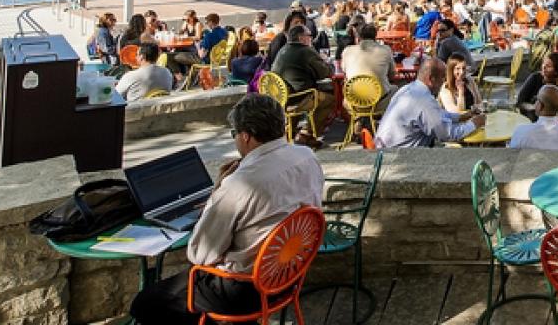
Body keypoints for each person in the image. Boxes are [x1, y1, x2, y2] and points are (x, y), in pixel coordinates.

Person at [129, 95, 324, 325]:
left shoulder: (239, 185)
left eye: (234, 135)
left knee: (144, 303)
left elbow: (201, 255)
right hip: (289, 277)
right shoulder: (306, 157)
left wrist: (217, 193)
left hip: (244, 292)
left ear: (245, 136)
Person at [374, 58, 485, 147]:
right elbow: (449, 134)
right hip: (400, 154)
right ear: (431, 79)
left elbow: (438, 114)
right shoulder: (424, 100)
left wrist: (461, 117)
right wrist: (475, 123)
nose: (443, 82)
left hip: (385, 147)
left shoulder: (408, 89)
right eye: (442, 78)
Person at [269, 25, 334, 146]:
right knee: (329, 100)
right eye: (309, 36)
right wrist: (328, 64)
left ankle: (291, 131)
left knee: (304, 92)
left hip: (281, 98)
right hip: (299, 98)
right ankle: (307, 133)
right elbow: (325, 73)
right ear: (301, 38)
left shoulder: (283, 50)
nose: (311, 39)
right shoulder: (306, 51)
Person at [507, 84, 558, 151]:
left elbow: (512, 153)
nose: (535, 103)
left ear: (540, 106)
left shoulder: (521, 132)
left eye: (537, 100)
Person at [340, 23, 397, 107]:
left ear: (358, 37)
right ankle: (390, 119)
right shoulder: (386, 50)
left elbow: (344, 71)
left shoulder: (347, 51)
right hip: (379, 102)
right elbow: (392, 75)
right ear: (375, 36)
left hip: (354, 102)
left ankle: (355, 119)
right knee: (396, 89)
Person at [517, 52, 558, 117]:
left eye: (548, 66)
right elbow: (520, 102)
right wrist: (534, 107)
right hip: (533, 117)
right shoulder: (535, 78)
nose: (544, 67)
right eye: (544, 63)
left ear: (556, 72)